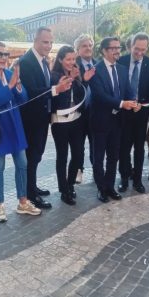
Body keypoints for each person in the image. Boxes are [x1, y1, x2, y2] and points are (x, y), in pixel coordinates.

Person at [0, 41, 41, 221]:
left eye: (6, 54)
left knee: (23, 163)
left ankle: (23, 201)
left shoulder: (10, 73)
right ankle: (0, 205)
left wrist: (18, 85)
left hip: (15, 124)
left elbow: (23, 98)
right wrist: (10, 87)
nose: (4, 58)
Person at [19, 27, 72, 209]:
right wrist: (57, 89)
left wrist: (58, 85)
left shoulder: (43, 61)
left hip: (43, 117)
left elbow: (46, 86)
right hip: (31, 118)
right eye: (44, 42)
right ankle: (31, 195)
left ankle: (32, 187)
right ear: (35, 41)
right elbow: (31, 93)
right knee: (32, 157)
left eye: (50, 42)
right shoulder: (26, 62)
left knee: (37, 155)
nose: (48, 46)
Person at [89, 37, 137, 203]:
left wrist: (134, 102)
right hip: (100, 121)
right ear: (104, 50)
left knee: (113, 156)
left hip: (118, 121)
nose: (118, 51)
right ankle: (101, 189)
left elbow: (128, 91)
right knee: (99, 157)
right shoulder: (95, 70)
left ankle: (110, 186)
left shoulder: (122, 70)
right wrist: (123, 103)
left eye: (119, 47)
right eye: (113, 48)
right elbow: (100, 96)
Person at [117, 32, 149, 194]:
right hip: (123, 112)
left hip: (141, 113)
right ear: (130, 46)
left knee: (139, 149)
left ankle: (137, 180)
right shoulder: (120, 61)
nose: (139, 52)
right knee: (124, 148)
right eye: (137, 49)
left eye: (143, 49)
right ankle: (124, 177)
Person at [51, 46, 92, 205]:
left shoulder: (76, 73)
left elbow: (82, 96)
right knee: (62, 156)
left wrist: (81, 80)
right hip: (60, 121)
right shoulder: (54, 76)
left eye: (73, 59)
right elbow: (59, 100)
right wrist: (69, 80)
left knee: (78, 154)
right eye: (68, 59)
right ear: (60, 59)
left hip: (77, 120)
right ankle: (64, 190)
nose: (71, 62)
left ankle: (70, 184)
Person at [74, 34, 96, 184]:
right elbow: (75, 90)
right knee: (78, 145)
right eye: (84, 46)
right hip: (79, 112)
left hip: (96, 112)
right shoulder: (73, 66)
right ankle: (78, 170)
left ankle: (97, 168)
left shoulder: (99, 64)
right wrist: (85, 80)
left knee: (95, 143)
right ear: (77, 49)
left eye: (89, 45)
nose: (88, 48)